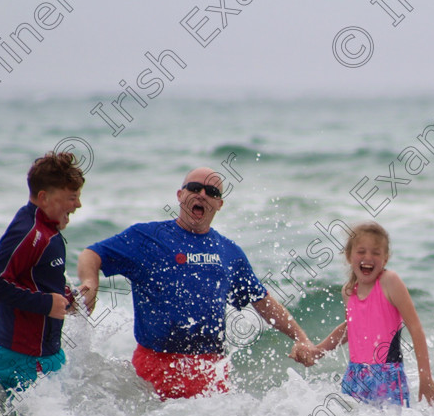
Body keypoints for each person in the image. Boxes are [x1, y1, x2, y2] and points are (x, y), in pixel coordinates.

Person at [77, 167, 316, 399]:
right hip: (154, 367)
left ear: (219, 204)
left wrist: (300, 338)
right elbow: (92, 253)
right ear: (180, 195)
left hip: (211, 370)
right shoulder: (146, 237)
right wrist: (90, 282)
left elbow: (262, 301)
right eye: (194, 188)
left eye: (212, 192)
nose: (202, 194)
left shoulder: (228, 251)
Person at [297, 221, 434, 407]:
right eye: (361, 251)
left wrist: (426, 378)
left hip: (388, 374)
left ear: (385, 259)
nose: (368, 257)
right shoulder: (348, 291)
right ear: (349, 256)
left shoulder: (390, 282)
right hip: (355, 375)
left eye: (376, 253)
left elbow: (415, 328)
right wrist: (318, 351)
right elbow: (350, 327)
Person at [0, 151, 85, 393]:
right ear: (44, 197)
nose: (78, 204)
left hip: (42, 356)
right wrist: (45, 304)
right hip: (20, 357)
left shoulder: (47, 229)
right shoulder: (29, 232)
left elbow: (35, 279)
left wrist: (68, 297)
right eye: (72, 197)